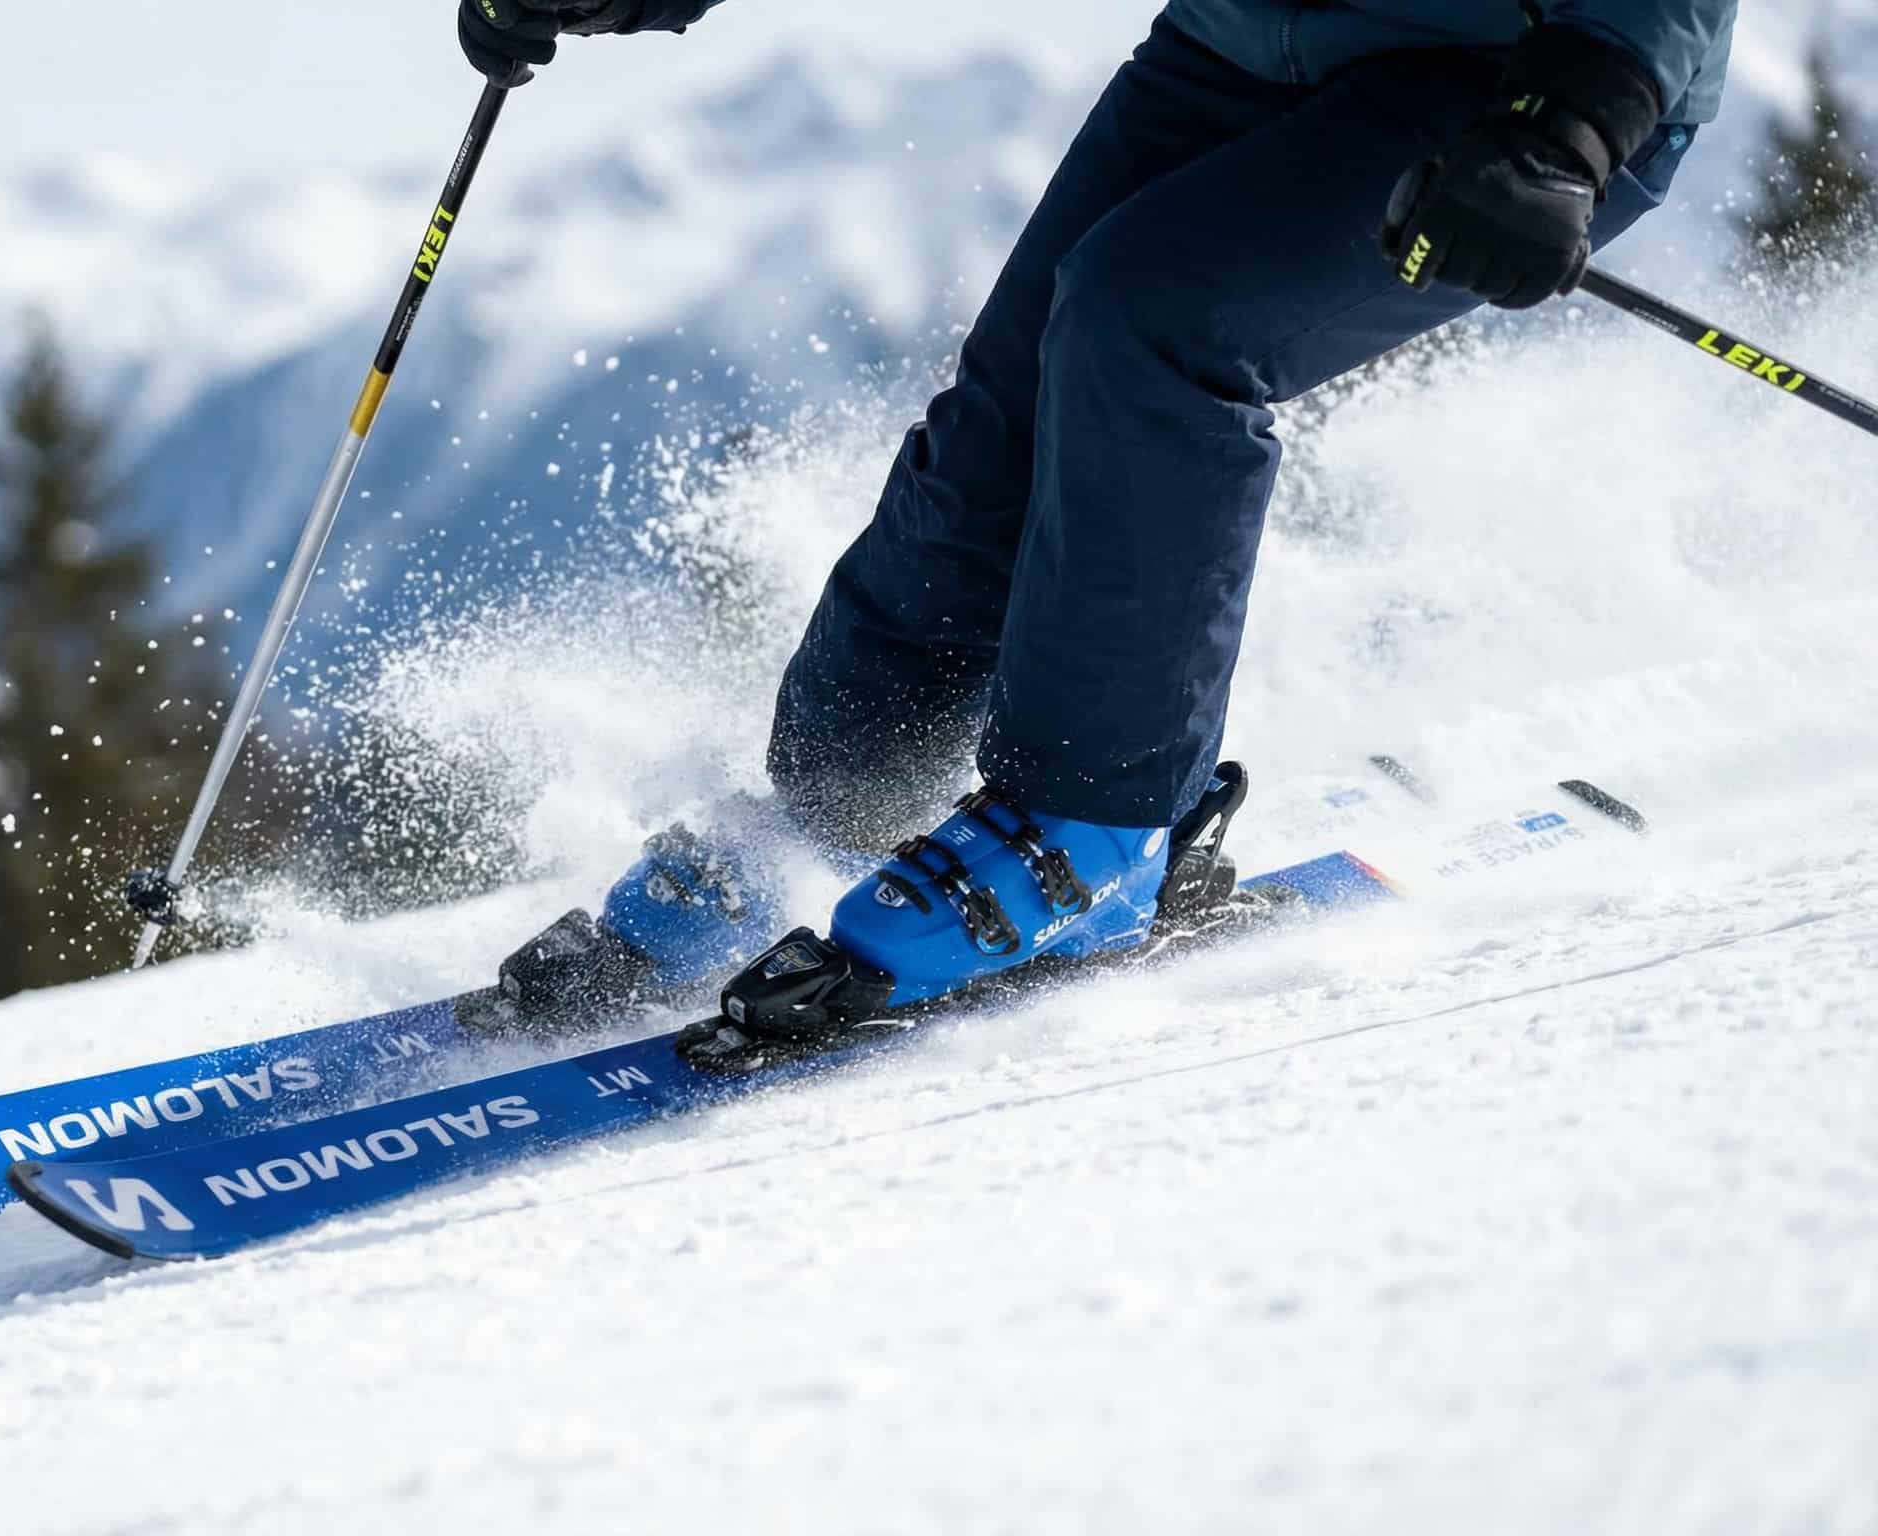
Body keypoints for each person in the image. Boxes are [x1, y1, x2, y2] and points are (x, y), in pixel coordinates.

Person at [459, 0, 1733, 1034]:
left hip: (1514, 73)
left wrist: (1571, 125)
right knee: (1010, 405)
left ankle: (1102, 830)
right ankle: (841, 796)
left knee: (1153, 326)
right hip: (1246, 35)